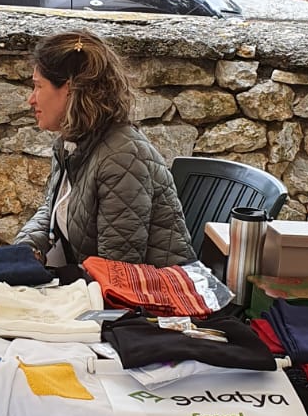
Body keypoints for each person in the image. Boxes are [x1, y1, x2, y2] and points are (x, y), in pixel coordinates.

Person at [16, 29, 196, 268]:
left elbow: (118, 269)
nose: (31, 99)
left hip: (150, 289)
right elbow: (53, 211)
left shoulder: (121, 159)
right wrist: (24, 250)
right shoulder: (74, 143)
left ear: (69, 89)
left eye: (38, 86)